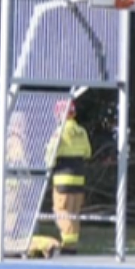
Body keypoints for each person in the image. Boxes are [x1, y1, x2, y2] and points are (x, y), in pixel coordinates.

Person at [46, 100, 91, 255]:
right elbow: (88, 152)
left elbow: (52, 153)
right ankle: (72, 245)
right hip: (79, 176)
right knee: (74, 211)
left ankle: (68, 240)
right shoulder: (82, 131)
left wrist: (48, 163)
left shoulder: (59, 132)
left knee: (60, 209)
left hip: (62, 177)